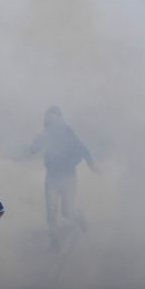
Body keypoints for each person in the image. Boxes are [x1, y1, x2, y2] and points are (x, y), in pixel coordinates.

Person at [29, 105, 98, 250]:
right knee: (51, 210)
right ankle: (54, 241)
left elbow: (83, 148)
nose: (51, 125)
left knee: (67, 211)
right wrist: (34, 145)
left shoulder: (68, 133)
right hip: (52, 177)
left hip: (68, 177)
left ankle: (78, 218)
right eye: (49, 122)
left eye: (53, 121)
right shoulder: (46, 134)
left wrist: (92, 165)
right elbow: (33, 149)